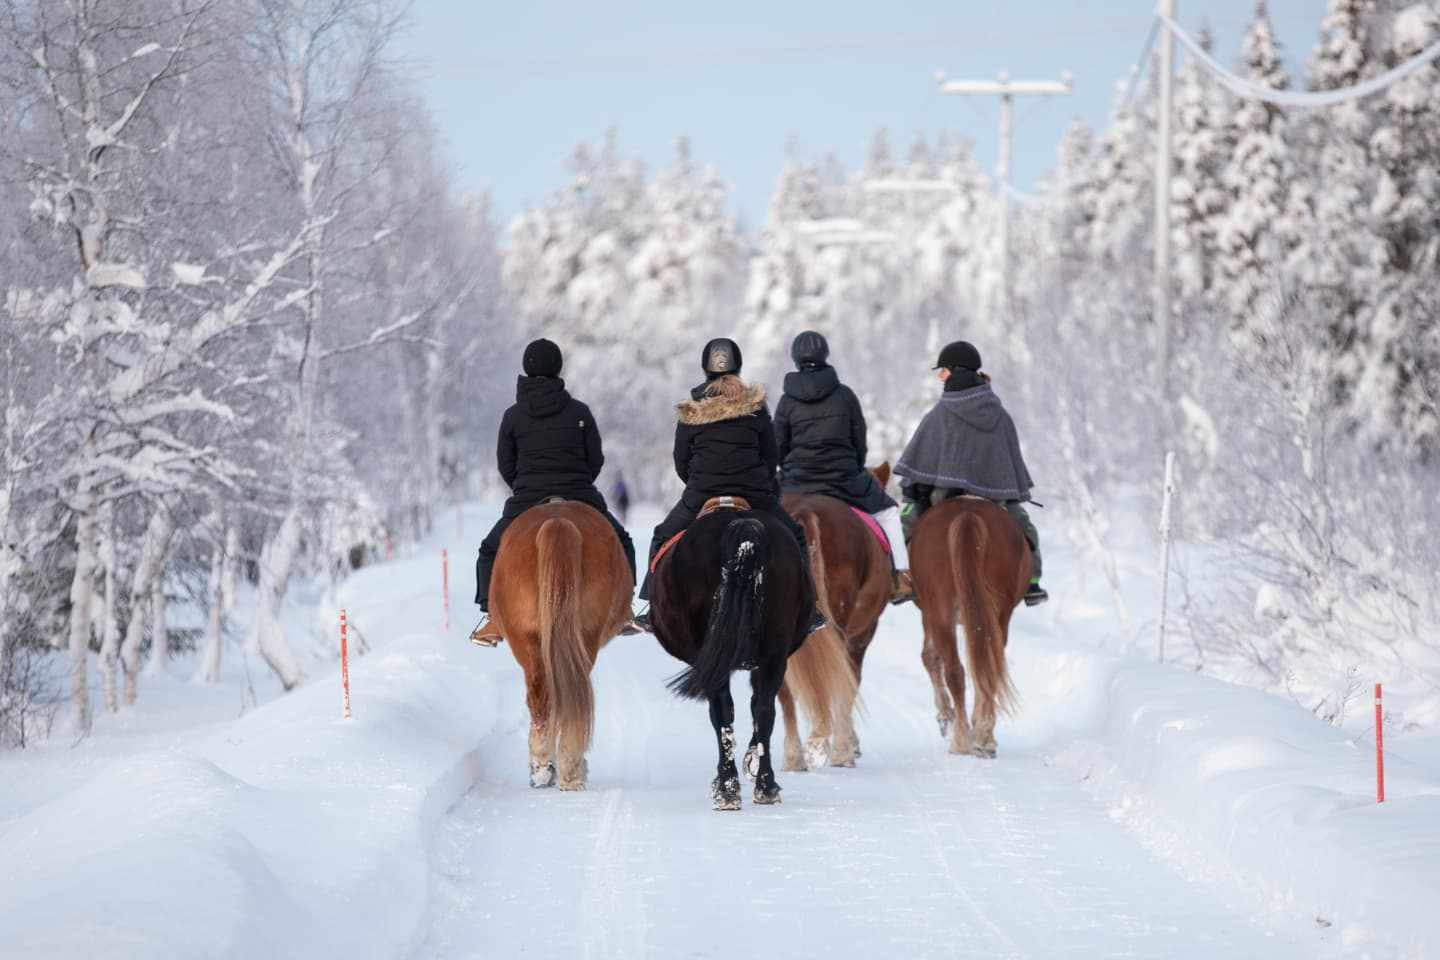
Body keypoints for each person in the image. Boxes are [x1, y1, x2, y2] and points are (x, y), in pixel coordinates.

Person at [633, 337, 826, 635]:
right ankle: (809, 606)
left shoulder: (691, 410)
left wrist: (700, 486)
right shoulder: (756, 406)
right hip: (753, 493)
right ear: (738, 364)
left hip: (701, 495)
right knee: (795, 535)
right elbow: (770, 455)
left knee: (662, 536)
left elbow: (681, 461)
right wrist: (760, 485)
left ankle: (652, 608)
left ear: (704, 366)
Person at [471, 338, 639, 644]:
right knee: (623, 541)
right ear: (558, 367)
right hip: (580, 494)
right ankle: (625, 609)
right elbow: (595, 459)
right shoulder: (580, 412)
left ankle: (492, 618)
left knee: (488, 551)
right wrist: (578, 484)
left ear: (526, 368)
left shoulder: (512, 416)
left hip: (527, 499)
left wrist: (525, 487)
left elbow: (505, 465)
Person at [894, 340, 1047, 606]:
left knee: (906, 522)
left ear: (955, 371)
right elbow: (1007, 460)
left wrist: (914, 488)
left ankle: (901, 580)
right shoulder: (999, 414)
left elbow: (922, 458)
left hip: (942, 497)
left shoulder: (940, 413)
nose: (940, 377)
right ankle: (1032, 584)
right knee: (1026, 529)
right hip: (994, 497)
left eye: (943, 371)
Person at [774, 330, 912, 604]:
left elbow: (779, 446)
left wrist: (789, 471)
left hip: (795, 481)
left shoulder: (787, 401)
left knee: (757, 514)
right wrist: (853, 466)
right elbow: (858, 440)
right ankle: (901, 576)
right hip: (842, 478)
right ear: (824, 354)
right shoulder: (844, 395)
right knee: (888, 513)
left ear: (796, 358)